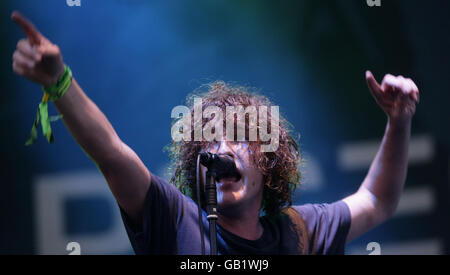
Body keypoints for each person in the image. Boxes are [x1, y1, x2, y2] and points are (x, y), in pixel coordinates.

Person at [11, 11, 420, 255]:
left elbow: (376, 200)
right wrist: (60, 82)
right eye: (209, 143)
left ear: (269, 161)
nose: (220, 149)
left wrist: (399, 122)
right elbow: (112, 153)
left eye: (239, 136)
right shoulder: (174, 221)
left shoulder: (297, 232)